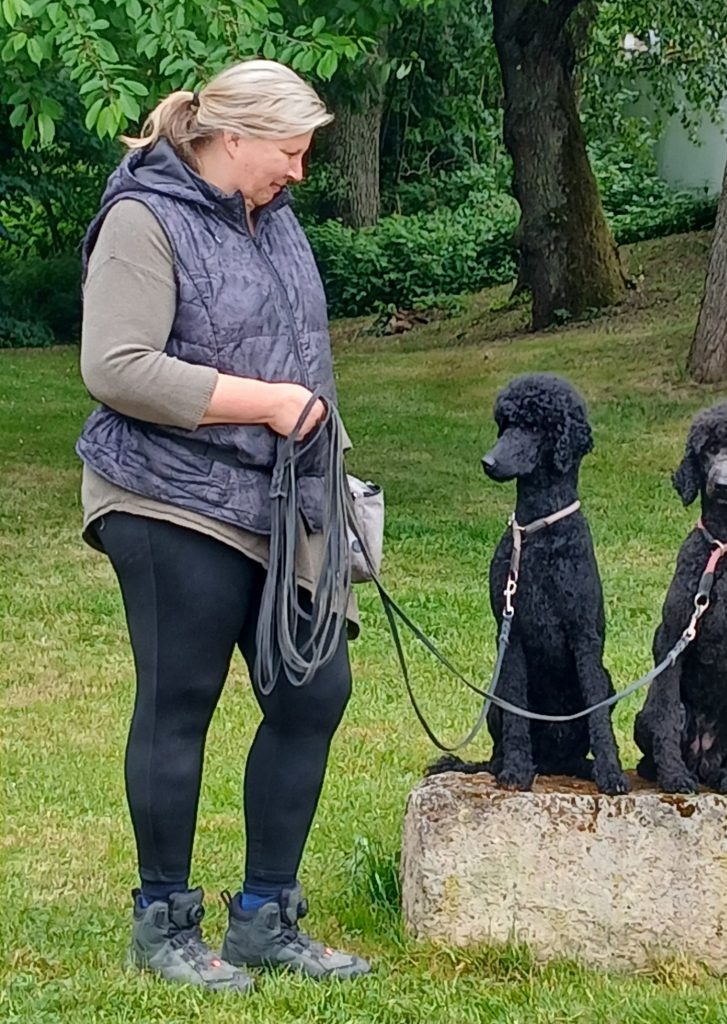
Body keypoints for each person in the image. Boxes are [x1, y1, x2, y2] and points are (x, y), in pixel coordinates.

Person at [77, 59, 370, 992]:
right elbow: (115, 365)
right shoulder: (142, 217)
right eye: (290, 152)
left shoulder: (272, 216)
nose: (299, 172)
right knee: (181, 700)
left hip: (276, 500)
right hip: (163, 492)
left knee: (313, 692)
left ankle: (265, 918)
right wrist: (268, 404)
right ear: (233, 136)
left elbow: (298, 347)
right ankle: (164, 922)